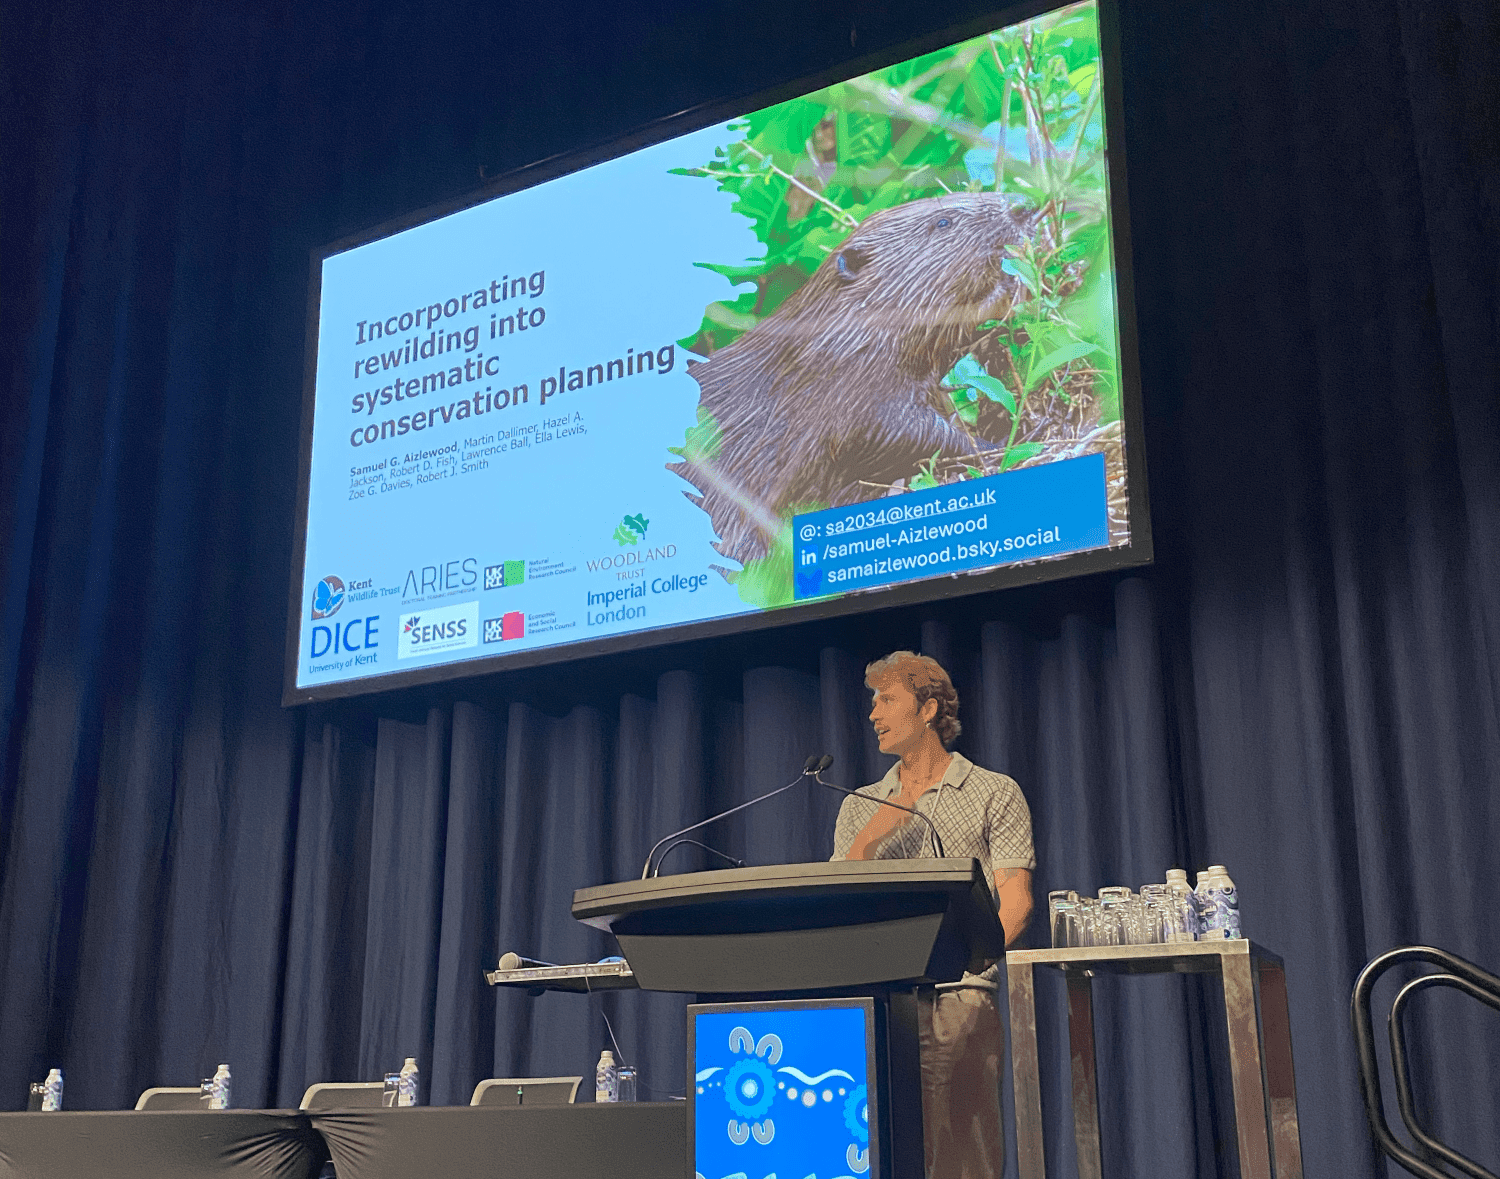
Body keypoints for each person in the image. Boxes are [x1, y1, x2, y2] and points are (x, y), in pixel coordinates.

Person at [831, 650, 1035, 1179]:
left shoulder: (993, 791)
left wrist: (972, 961)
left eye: (888, 699)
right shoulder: (860, 804)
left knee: (963, 1162)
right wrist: (867, 843)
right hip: (877, 1005)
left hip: (959, 998)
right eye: (872, 701)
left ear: (928, 710)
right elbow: (835, 900)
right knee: (873, 1153)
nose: (873, 713)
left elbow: (1016, 898)